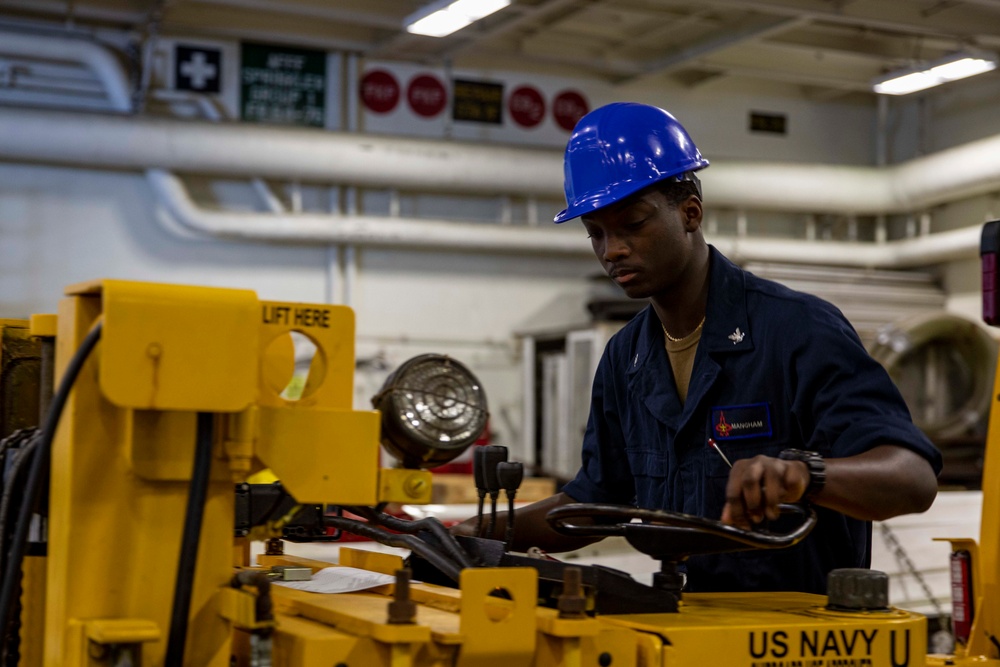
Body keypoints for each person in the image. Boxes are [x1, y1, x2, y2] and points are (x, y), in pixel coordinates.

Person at [455, 102, 942, 594]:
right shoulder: (626, 358)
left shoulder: (797, 330)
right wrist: (479, 531)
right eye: (596, 234)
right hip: (687, 629)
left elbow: (912, 479)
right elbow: (594, 503)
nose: (612, 250)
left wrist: (804, 475)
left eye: (633, 224)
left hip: (794, 640)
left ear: (690, 212)